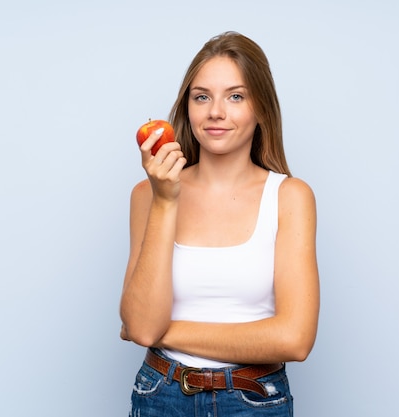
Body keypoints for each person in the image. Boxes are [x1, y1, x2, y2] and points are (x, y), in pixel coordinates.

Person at [120, 31, 320, 416]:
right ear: (188, 107)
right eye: (202, 97)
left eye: (235, 96)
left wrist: (167, 332)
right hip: (159, 395)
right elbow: (143, 327)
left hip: (253, 400)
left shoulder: (290, 197)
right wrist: (165, 200)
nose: (215, 112)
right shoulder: (147, 195)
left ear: (260, 108)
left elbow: (295, 340)